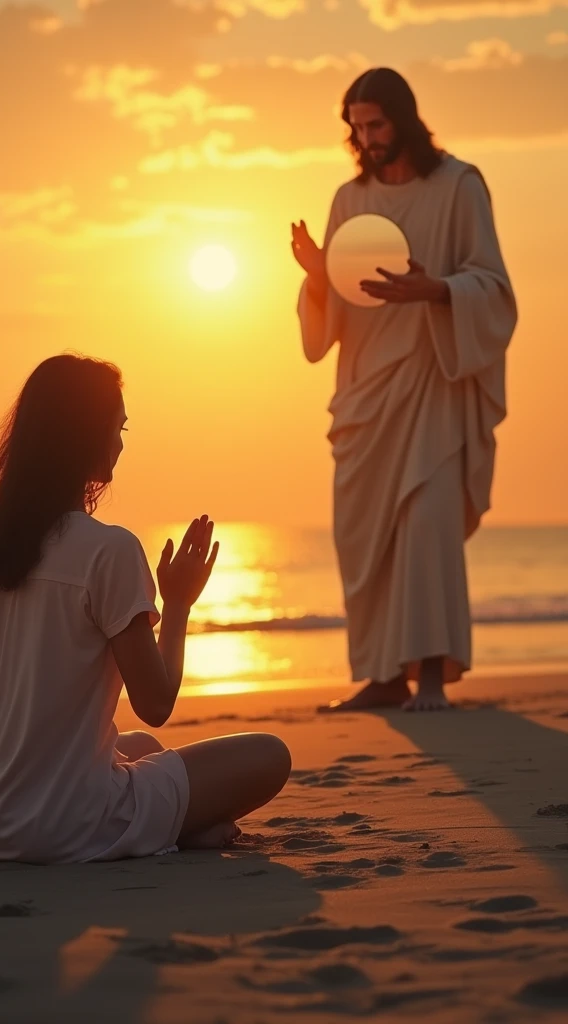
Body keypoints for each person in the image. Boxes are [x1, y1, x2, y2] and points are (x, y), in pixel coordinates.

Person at [0, 353, 291, 863]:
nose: (121, 441)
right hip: (63, 825)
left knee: (143, 748)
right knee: (269, 755)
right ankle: (176, 831)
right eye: (117, 426)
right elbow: (157, 701)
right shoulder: (108, 550)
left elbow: (8, 702)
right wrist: (176, 605)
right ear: (86, 434)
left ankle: (174, 826)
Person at [291, 67, 517, 712]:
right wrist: (315, 277)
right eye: (356, 127)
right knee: (364, 539)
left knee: (427, 528)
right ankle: (384, 675)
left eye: (377, 124)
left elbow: (495, 287)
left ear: (405, 119)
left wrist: (439, 289)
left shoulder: (459, 187)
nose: (366, 138)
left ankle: (434, 679)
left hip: (433, 384)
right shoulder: (347, 200)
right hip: (364, 393)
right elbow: (330, 314)